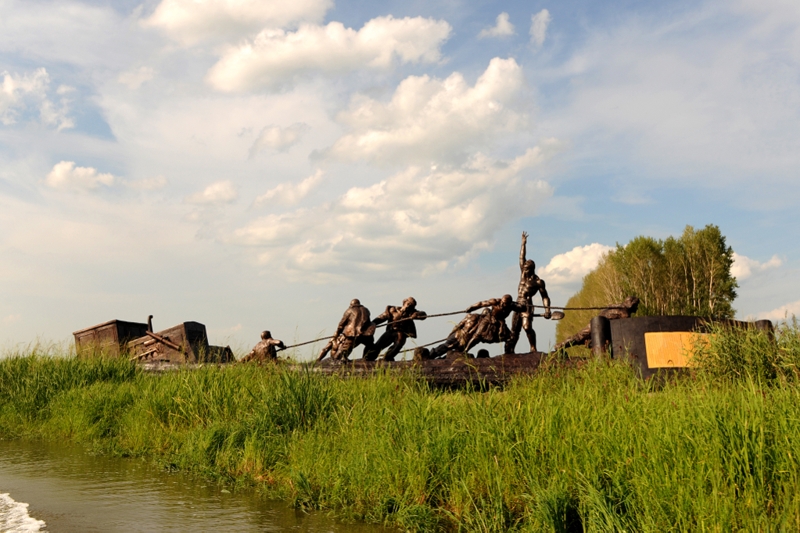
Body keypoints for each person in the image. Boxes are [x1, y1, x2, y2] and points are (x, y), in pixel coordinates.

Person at [430, 294, 522, 358]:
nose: (502, 304)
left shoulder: (512, 306)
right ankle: (463, 351)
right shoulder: (494, 302)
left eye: (505, 303)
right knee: (476, 336)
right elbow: (481, 303)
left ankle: (508, 353)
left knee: (510, 338)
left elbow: (522, 307)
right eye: (502, 302)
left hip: (499, 323)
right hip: (484, 322)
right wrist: (471, 307)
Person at [506, 231, 551, 354]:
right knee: (515, 329)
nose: (524, 270)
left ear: (531, 269)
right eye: (523, 269)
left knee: (527, 327)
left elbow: (545, 297)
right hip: (517, 303)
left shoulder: (538, 282)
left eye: (526, 269)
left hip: (527, 305)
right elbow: (521, 257)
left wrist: (547, 310)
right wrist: (523, 244)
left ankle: (533, 348)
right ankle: (510, 350)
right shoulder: (523, 275)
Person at [551, 296, 640, 352]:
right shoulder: (624, 313)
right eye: (636, 305)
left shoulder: (615, 307)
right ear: (631, 304)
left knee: (578, 337)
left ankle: (560, 345)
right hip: (598, 326)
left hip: (596, 324)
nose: (637, 308)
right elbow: (624, 330)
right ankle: (560, 346)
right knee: (579, 338)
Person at [363, 297, 427, 361]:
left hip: (401, 333)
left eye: (411, 306)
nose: (408, 306)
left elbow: (424, 315)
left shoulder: (411, 313)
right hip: (391, 331)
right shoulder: (393, 310)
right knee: (380, 344)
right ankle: (369, 357)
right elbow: (382, 317)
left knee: (398, 344)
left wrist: (417, 314)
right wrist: (373, 324)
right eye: (408, 304)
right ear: (404, 302)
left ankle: (387, 358)